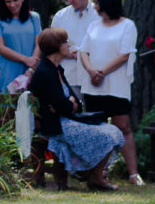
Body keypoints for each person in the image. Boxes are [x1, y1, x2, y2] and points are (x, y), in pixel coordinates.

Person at [30, 27, 124, 191]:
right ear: (56, 46)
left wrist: (69, 103)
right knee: (108, 135)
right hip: (56, 126)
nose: (68, 45)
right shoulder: (44, 72)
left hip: (66, 120)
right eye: (65, 42)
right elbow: (65, 106)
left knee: (114, 132)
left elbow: (73, 104)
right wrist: (68, 104)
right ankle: (93, 175)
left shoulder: (58, 69)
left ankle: (93, 173)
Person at [79, 0, 144, 185]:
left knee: (123, 126)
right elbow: (83, 51)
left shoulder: (127, 25)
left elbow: (125, 54)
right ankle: (98, 172)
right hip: (93, 85)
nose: (94, 5)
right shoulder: (93, 25)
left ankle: (134, 174)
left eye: (96, 1)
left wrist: (102, 72)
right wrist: (91, 71)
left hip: (116, 86)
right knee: (96, 129)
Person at [50, 0, 96, 97]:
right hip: (69, 76)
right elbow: (51, 44)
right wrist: (66, 52)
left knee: (95, 115)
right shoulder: (61, 16)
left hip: (94, 76)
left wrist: (82, 54)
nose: (70, 0)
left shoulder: (98, 14)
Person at [0, 0, 42, 94]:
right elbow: (1, 47)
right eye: (8, 1)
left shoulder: (34, 17)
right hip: (9, 71)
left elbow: (39, 44)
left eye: (15, 0)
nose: (12, 4)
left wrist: (31, 67)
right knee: (8, 106)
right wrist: (26, 59)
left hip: (31, 70)